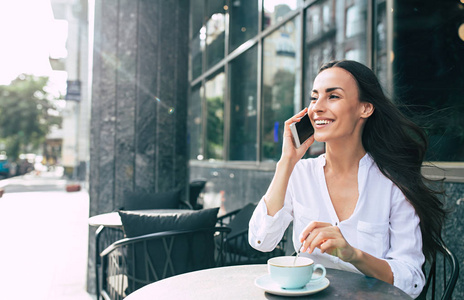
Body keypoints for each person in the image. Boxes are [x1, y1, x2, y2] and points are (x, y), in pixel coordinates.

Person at [248, 60, 446, 298]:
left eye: (333, 96)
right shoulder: (300, 174)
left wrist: (352, 254)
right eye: (314, 97)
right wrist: (286, 162)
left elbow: (411, 282)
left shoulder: (393, 183)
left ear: (365, 108)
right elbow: (261, 241)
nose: (317, 108)